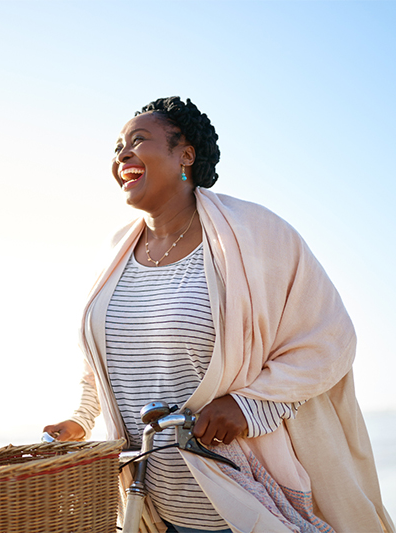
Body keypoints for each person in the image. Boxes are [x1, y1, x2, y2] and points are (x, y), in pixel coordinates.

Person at [44, 97, 394, 533]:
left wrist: (248, 406)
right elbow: (99, 361)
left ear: (185, 155)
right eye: (117, 147)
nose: (122, 155)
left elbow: (330, 340)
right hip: (152, 505)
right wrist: (81, 419)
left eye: (138, 140)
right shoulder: (114, 255)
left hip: (246, 500)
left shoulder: (256, 234)